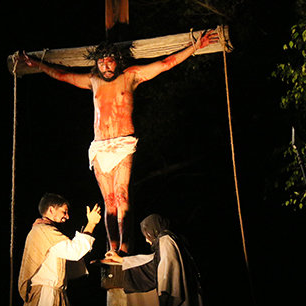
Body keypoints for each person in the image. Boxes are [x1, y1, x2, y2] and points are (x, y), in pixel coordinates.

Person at [16, 30, 220, 254]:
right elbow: (63, 74)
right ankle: (112, 249)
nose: (105, 66)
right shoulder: (92, 81)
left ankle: (123, 247)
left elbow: (165, 63)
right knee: (109, 201)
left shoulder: (131, 76)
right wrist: (38, 64)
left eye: (109, 61)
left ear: (118, 61)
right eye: (101, 62)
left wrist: (195, 46)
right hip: (100, 146)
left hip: (123, 144)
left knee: (122, 195)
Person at [12, 193, 102, 306]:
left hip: (56, 293)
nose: (67, 217)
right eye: (64, 212)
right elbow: (74, 251)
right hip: (47, 294)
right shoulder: (43, 231)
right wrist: (91, 224)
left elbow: (70, 263)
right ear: (51, 210)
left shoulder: (45, 231)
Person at [104, 214, 207, 306]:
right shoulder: (171, 239)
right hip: (188, 292)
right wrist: (121, 260)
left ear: (152, 229)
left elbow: (167, 265)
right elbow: (152, 261)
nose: (147, 240)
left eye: (146, 234)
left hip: (176, 294)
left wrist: (165, 291)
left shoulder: (165, 240)